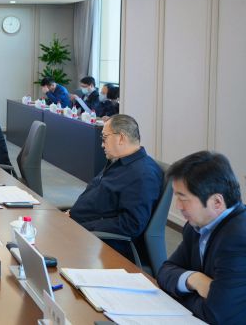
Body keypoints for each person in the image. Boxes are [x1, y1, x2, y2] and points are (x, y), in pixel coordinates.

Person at [157, 151, 246, 324]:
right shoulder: (195, 226)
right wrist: (193, 279)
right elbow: (165, 270)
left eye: (184, 198)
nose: (178, 206)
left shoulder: (238, 240)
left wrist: (178, 293)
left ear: (217, 202)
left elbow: (216, 315)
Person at [68, 114, 163, 260]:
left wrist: (83, 227)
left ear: (121, 138)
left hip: (103, 244)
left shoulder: (143, 174)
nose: (102, 144)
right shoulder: (119, 162)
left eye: (104, 138)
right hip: (81, 230)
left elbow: (130, 224)